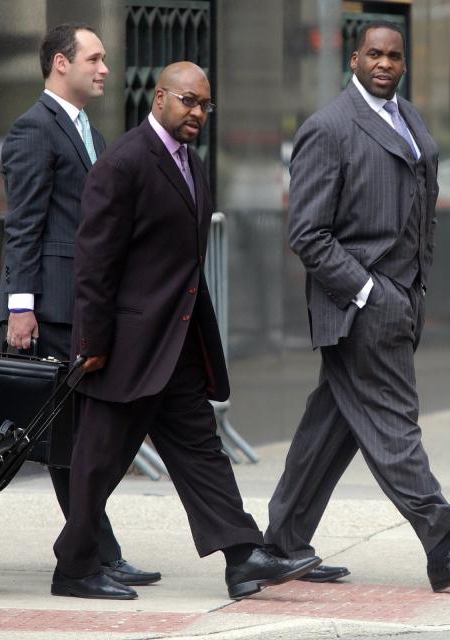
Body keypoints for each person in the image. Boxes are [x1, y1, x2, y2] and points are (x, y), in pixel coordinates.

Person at [51, 61, 320, 601]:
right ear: (159, 99)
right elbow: (95, 264)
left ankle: (242, 558)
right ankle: (75, 569)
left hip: (176, 348)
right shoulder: (124, 163)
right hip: (124, 350)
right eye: (188, 101)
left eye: (204, 105)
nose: (197, 112)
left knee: (202, 451)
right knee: (98, 461)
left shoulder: (192, 166)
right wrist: (93, 346)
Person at [264, 22, 450, 592]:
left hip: (402, 300)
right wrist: (370, 292)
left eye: (394, 55)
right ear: (354, 58)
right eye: (373, 53)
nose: (383, 63)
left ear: (405, 63)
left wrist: (414, 290)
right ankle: (441, 540)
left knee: (332, 424)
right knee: (395, 422)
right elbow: (307, 233)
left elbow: (424, 202)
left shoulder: (410, 117)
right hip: (361, 308)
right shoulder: (327, 129)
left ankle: (280, 544)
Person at [0, 23, 160, 588]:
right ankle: (91, 550)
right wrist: (21, 307)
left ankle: (86, 547)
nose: (105, 69)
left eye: (106, 60)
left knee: (42, 437)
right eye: (94, 58)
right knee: (35, 437)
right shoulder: (32, 130)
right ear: (60, 64)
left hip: (76, 306)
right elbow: (24, 226)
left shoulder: (86, 128)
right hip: (46, 310)